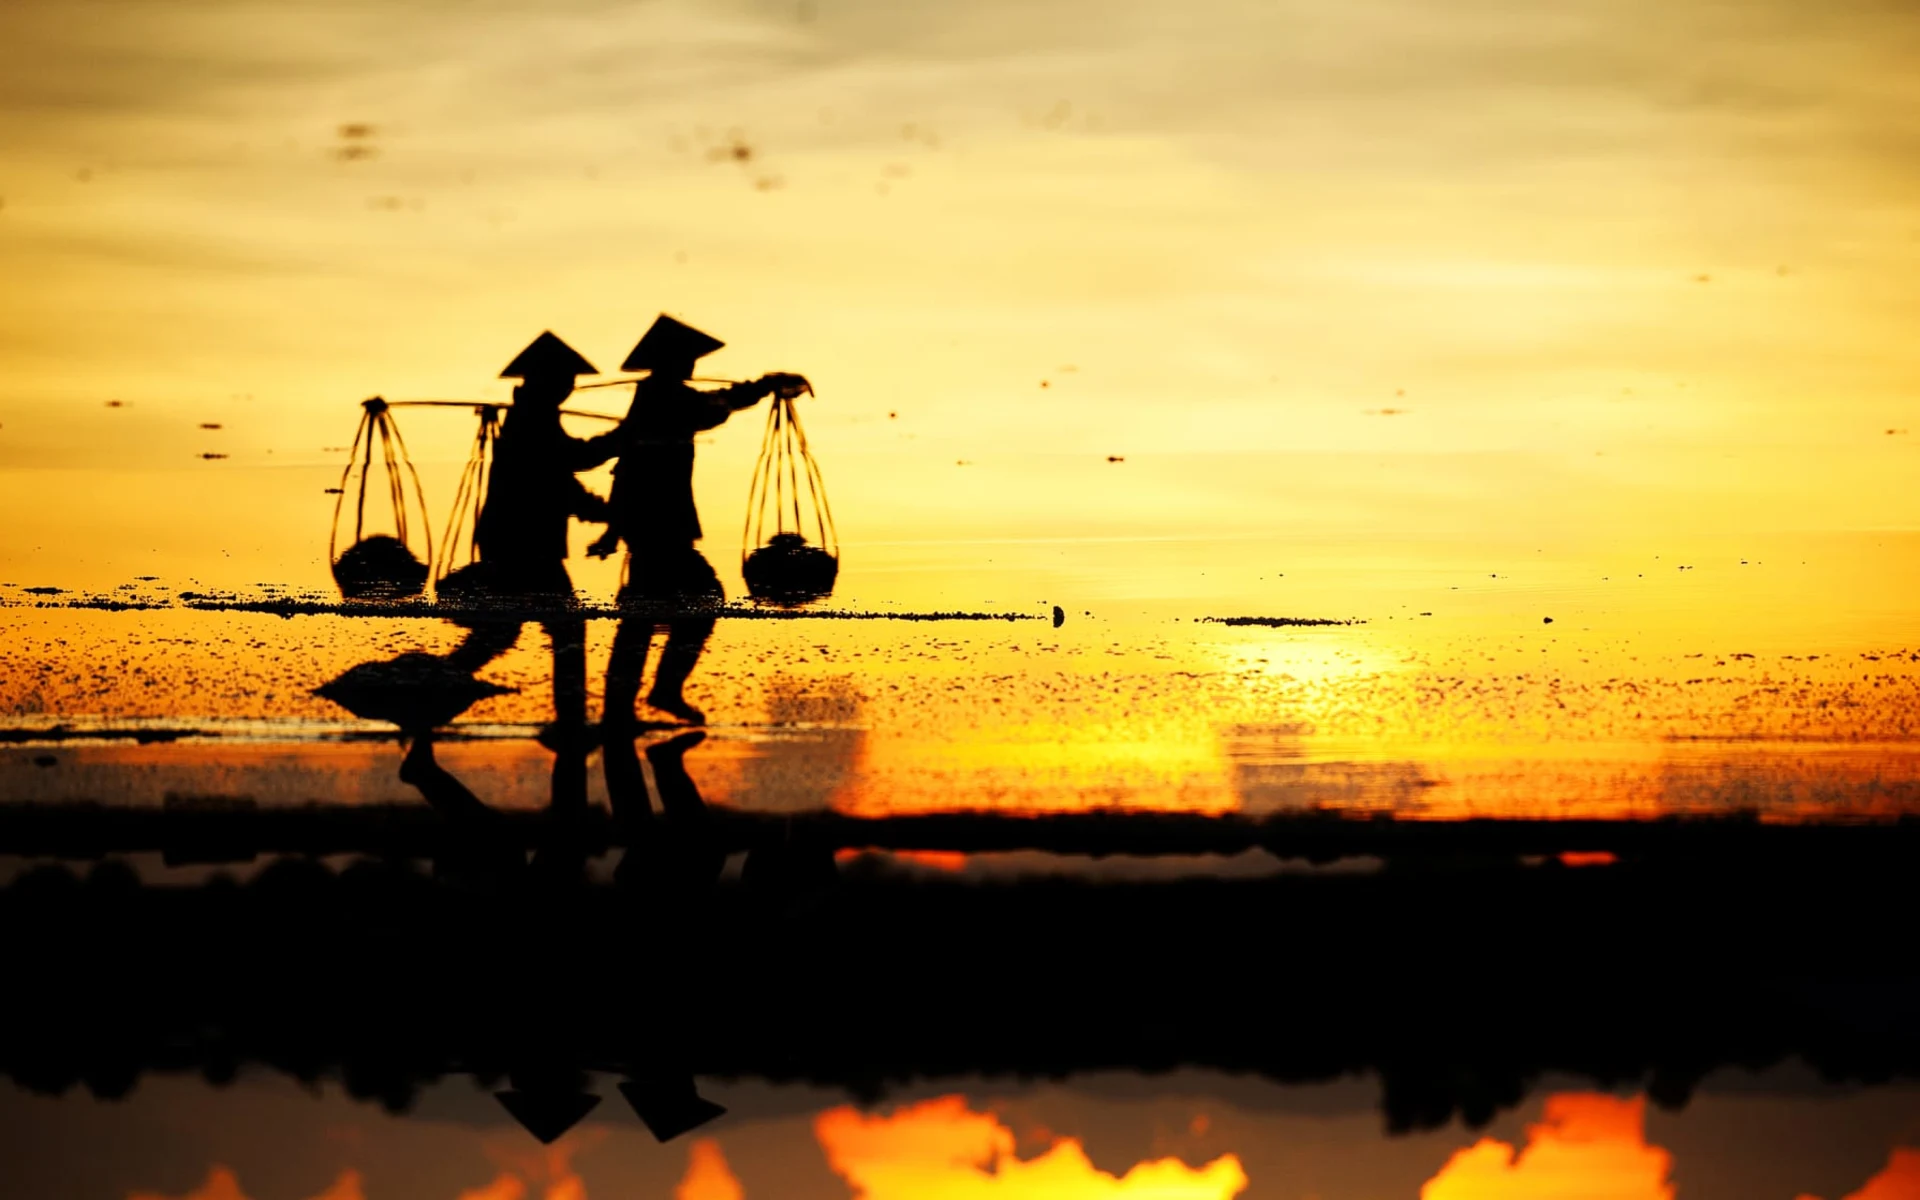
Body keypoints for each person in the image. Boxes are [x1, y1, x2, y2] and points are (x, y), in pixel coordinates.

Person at [582, 314, 807, 726]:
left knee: (644, 613)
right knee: (699, 600)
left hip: (651, 522)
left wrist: (613, 529)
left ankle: (625, 706)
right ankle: (653, 695)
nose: (691, 366)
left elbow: (626, 464)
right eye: (686, 359)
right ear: (670, 361)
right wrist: (764, 385)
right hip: (659, 523)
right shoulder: (667, 399)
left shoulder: (656, 397)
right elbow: (712, 407)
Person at [445, 331, 609, 750]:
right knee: (567, 628)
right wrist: (623, 439)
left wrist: (594, 507)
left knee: (502, 632)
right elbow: (571, 461)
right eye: (564, 378)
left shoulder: (533, 416)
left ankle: (435, 686)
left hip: (515, 539)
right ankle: (570, 723)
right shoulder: (532, 419)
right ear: (545, 380)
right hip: (523, 542)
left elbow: (557, 479)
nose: (569, 386)